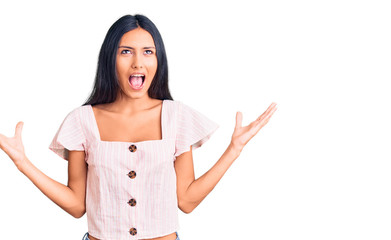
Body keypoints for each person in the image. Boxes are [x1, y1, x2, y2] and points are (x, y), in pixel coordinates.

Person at [0, 14, 277, 240]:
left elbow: (188, 200)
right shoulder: (82, 120)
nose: (138, 62)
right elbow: (76, 205)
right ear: (111, 59)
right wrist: (23, 163)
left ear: (158, 60)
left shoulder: (175, 117)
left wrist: (234, 149)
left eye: (148, 52)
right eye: (125, 52)